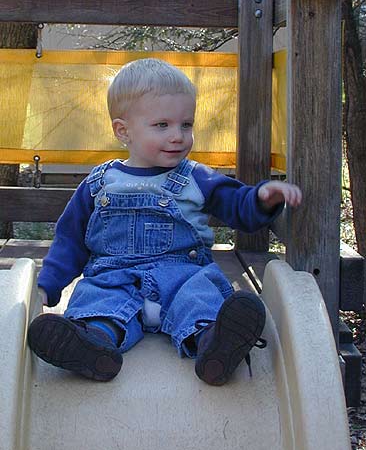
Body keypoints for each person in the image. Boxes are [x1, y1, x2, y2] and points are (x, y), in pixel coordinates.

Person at [28, 58, 301, 385]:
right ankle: (92, 347)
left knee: (202, 299)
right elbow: (69, 240)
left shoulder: (196, 177)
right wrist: (47, 285)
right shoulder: (99, 182)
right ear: (123, 130)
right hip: (116, 278)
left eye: (186, 125)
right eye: (162, 125)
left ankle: (215, 346)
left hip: (182, 276)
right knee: (99, 304)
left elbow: (235, 203)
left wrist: (261, 198)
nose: (178, 136)